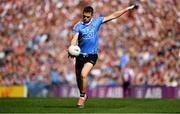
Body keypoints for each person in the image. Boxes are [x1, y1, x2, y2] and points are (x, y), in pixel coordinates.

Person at [68, 5, 138, 108]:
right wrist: (71, 47)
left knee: (83, 74)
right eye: (84, 16)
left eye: (87, 17)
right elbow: (74, 38)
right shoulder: (78, 26)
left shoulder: (97, 22)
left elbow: (113, 15)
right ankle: (83, 94)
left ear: (92, 16)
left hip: (92, 55)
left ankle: (82, 97)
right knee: (78, 78)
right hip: (80, 55)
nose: (85, 18)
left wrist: (126, 9)